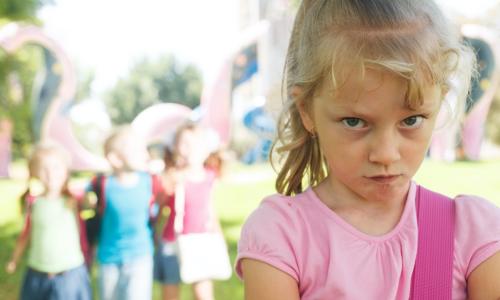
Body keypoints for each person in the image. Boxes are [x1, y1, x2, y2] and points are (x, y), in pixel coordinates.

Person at [235, 1, 500, 299]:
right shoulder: (284, 237)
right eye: (354, 121)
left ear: (439, 102)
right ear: (306, 110)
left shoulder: (473, 233)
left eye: (411, 120)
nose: (386, 154)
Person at [5, 143, 91, 300]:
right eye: (44, 169)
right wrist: (14, 259)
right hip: (37, 274)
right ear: (34, 172)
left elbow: (90, 202)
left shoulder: (72, 200)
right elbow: (26, 234)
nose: (51, 173)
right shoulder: (34, 203)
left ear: (66, 171)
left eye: (57, 167)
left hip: (69, 274)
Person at [88, 126, 162, 300]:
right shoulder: (103, 184)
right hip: (109, 259)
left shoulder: (149, 182)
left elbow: (157, 207)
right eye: (138, 150)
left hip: (140, 257)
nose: (145, 154)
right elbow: (81, 200)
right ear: (116, 159)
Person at [155, 122, 226, 300]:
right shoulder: (172, 176)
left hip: (200, 240)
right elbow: (158, 206)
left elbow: (210, 209)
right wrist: (168, 186)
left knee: (203, 292)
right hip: (172, 242)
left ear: (205, 149)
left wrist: (218, 236)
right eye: (185, 143)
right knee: (171, 292)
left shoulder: (210, 176)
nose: (191, 148)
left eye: (196, 143)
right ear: (175, 148)